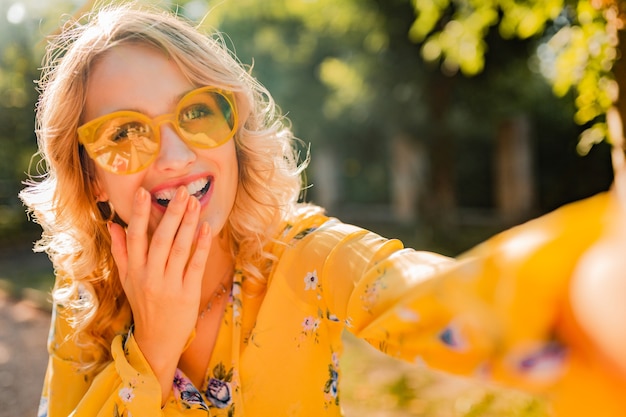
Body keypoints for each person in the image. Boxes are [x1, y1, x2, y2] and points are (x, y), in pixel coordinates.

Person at [20, 2, 625, 416]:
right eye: (123, 133)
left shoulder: (305, 255)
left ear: (233, 131)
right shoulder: (87, 300)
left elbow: (434, 297)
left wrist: (587, 287)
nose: (175, 153)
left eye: (198, 111)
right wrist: (151, 350)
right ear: (91, 177)